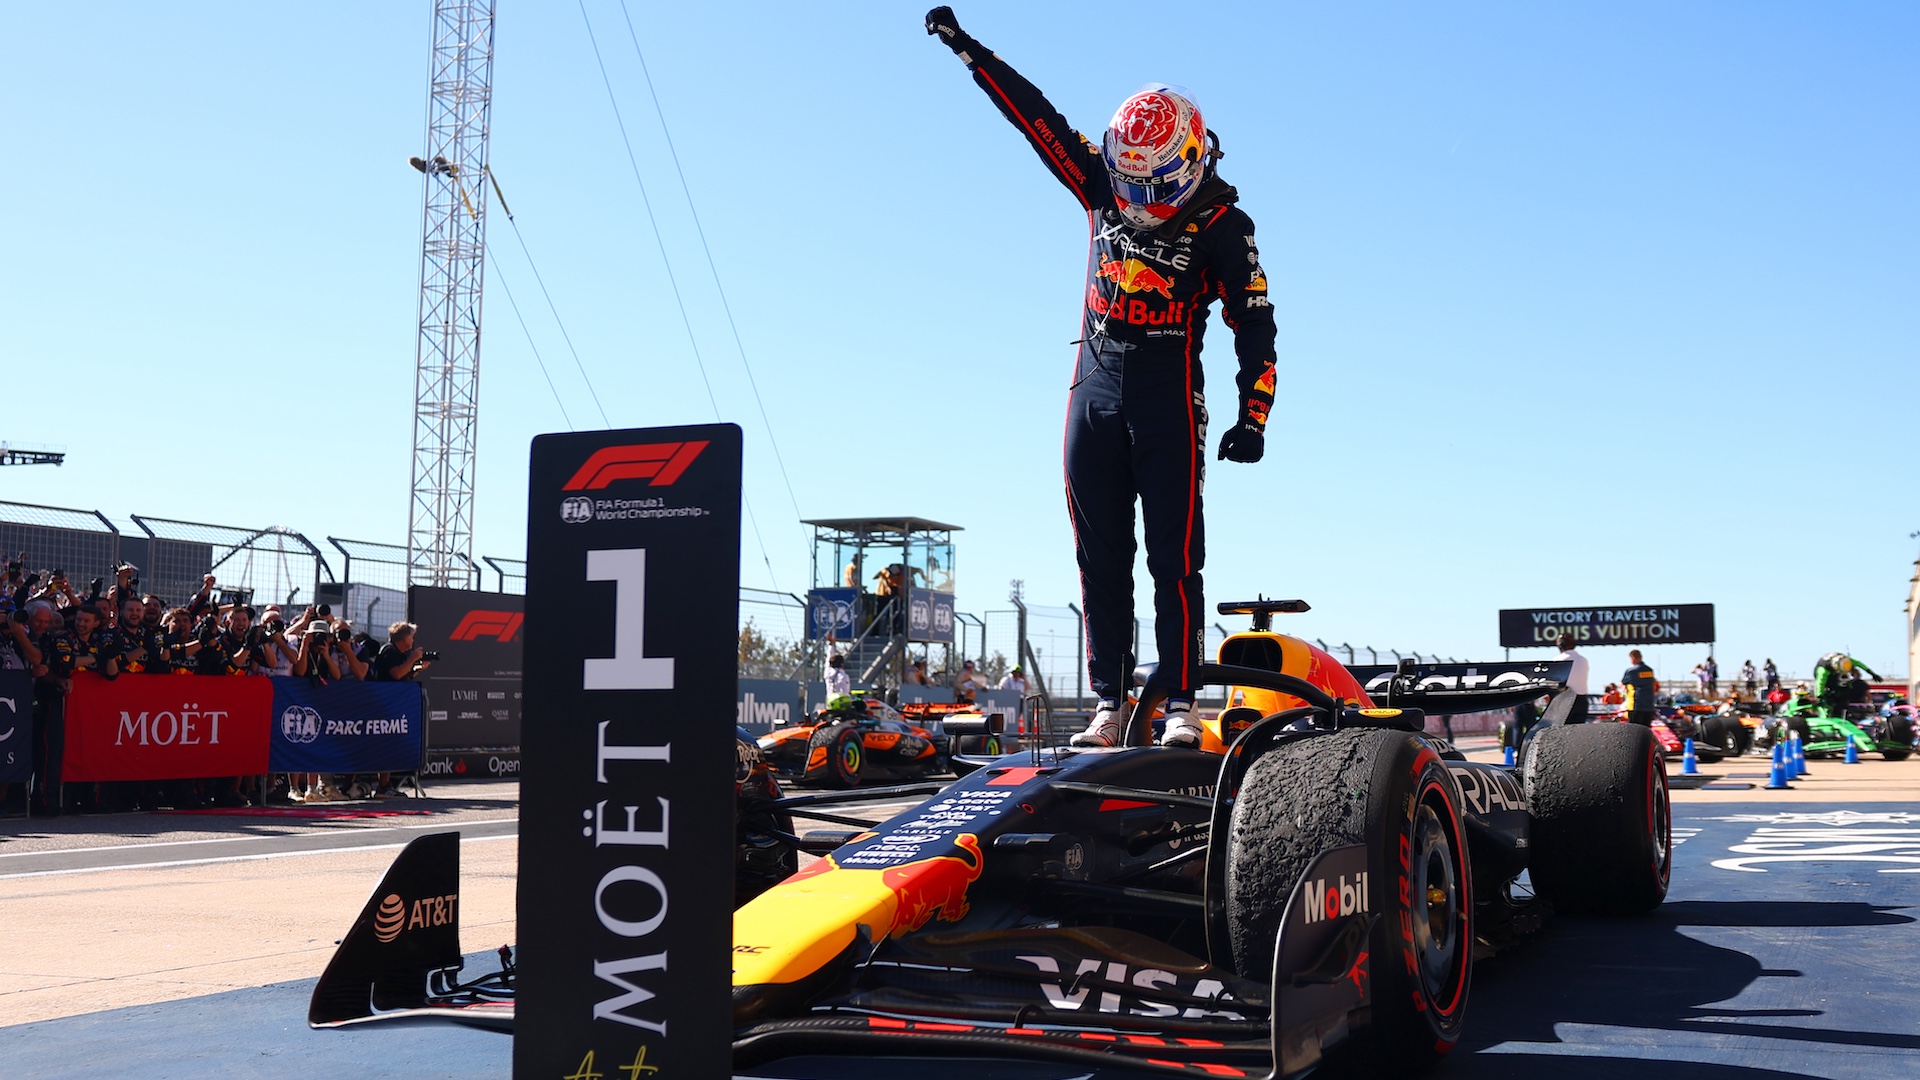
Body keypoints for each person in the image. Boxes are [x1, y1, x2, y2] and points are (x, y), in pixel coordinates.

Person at [927, 9, 1275, 750]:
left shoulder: (1225, 224)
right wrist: (969, 52)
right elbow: (1037, 119)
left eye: (1157, 188)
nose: (1140, 202)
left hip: (1168, 390)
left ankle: (1181, 701)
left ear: (1191, 161)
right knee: (1099, 553)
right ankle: (1111, 700)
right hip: (1092, 382)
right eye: (1130, 185)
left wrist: (1255, 415)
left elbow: (1257, 324)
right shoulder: (1099, 183)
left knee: (1175, 557)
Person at [1553, 632, 1591, 723]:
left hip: (1565, 699)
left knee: (1563, 732)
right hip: (1582, 700)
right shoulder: (1583, 660)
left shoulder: (1558, 660)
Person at [1621, 650, 1659, 726]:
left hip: (1635, 705)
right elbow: (1655, 685)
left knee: (1634, 732)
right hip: (1648, 705)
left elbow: (1623, 683)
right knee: (1645, 731)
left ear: (1633, 658)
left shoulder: (1631, 671)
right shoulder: (1649, 670)